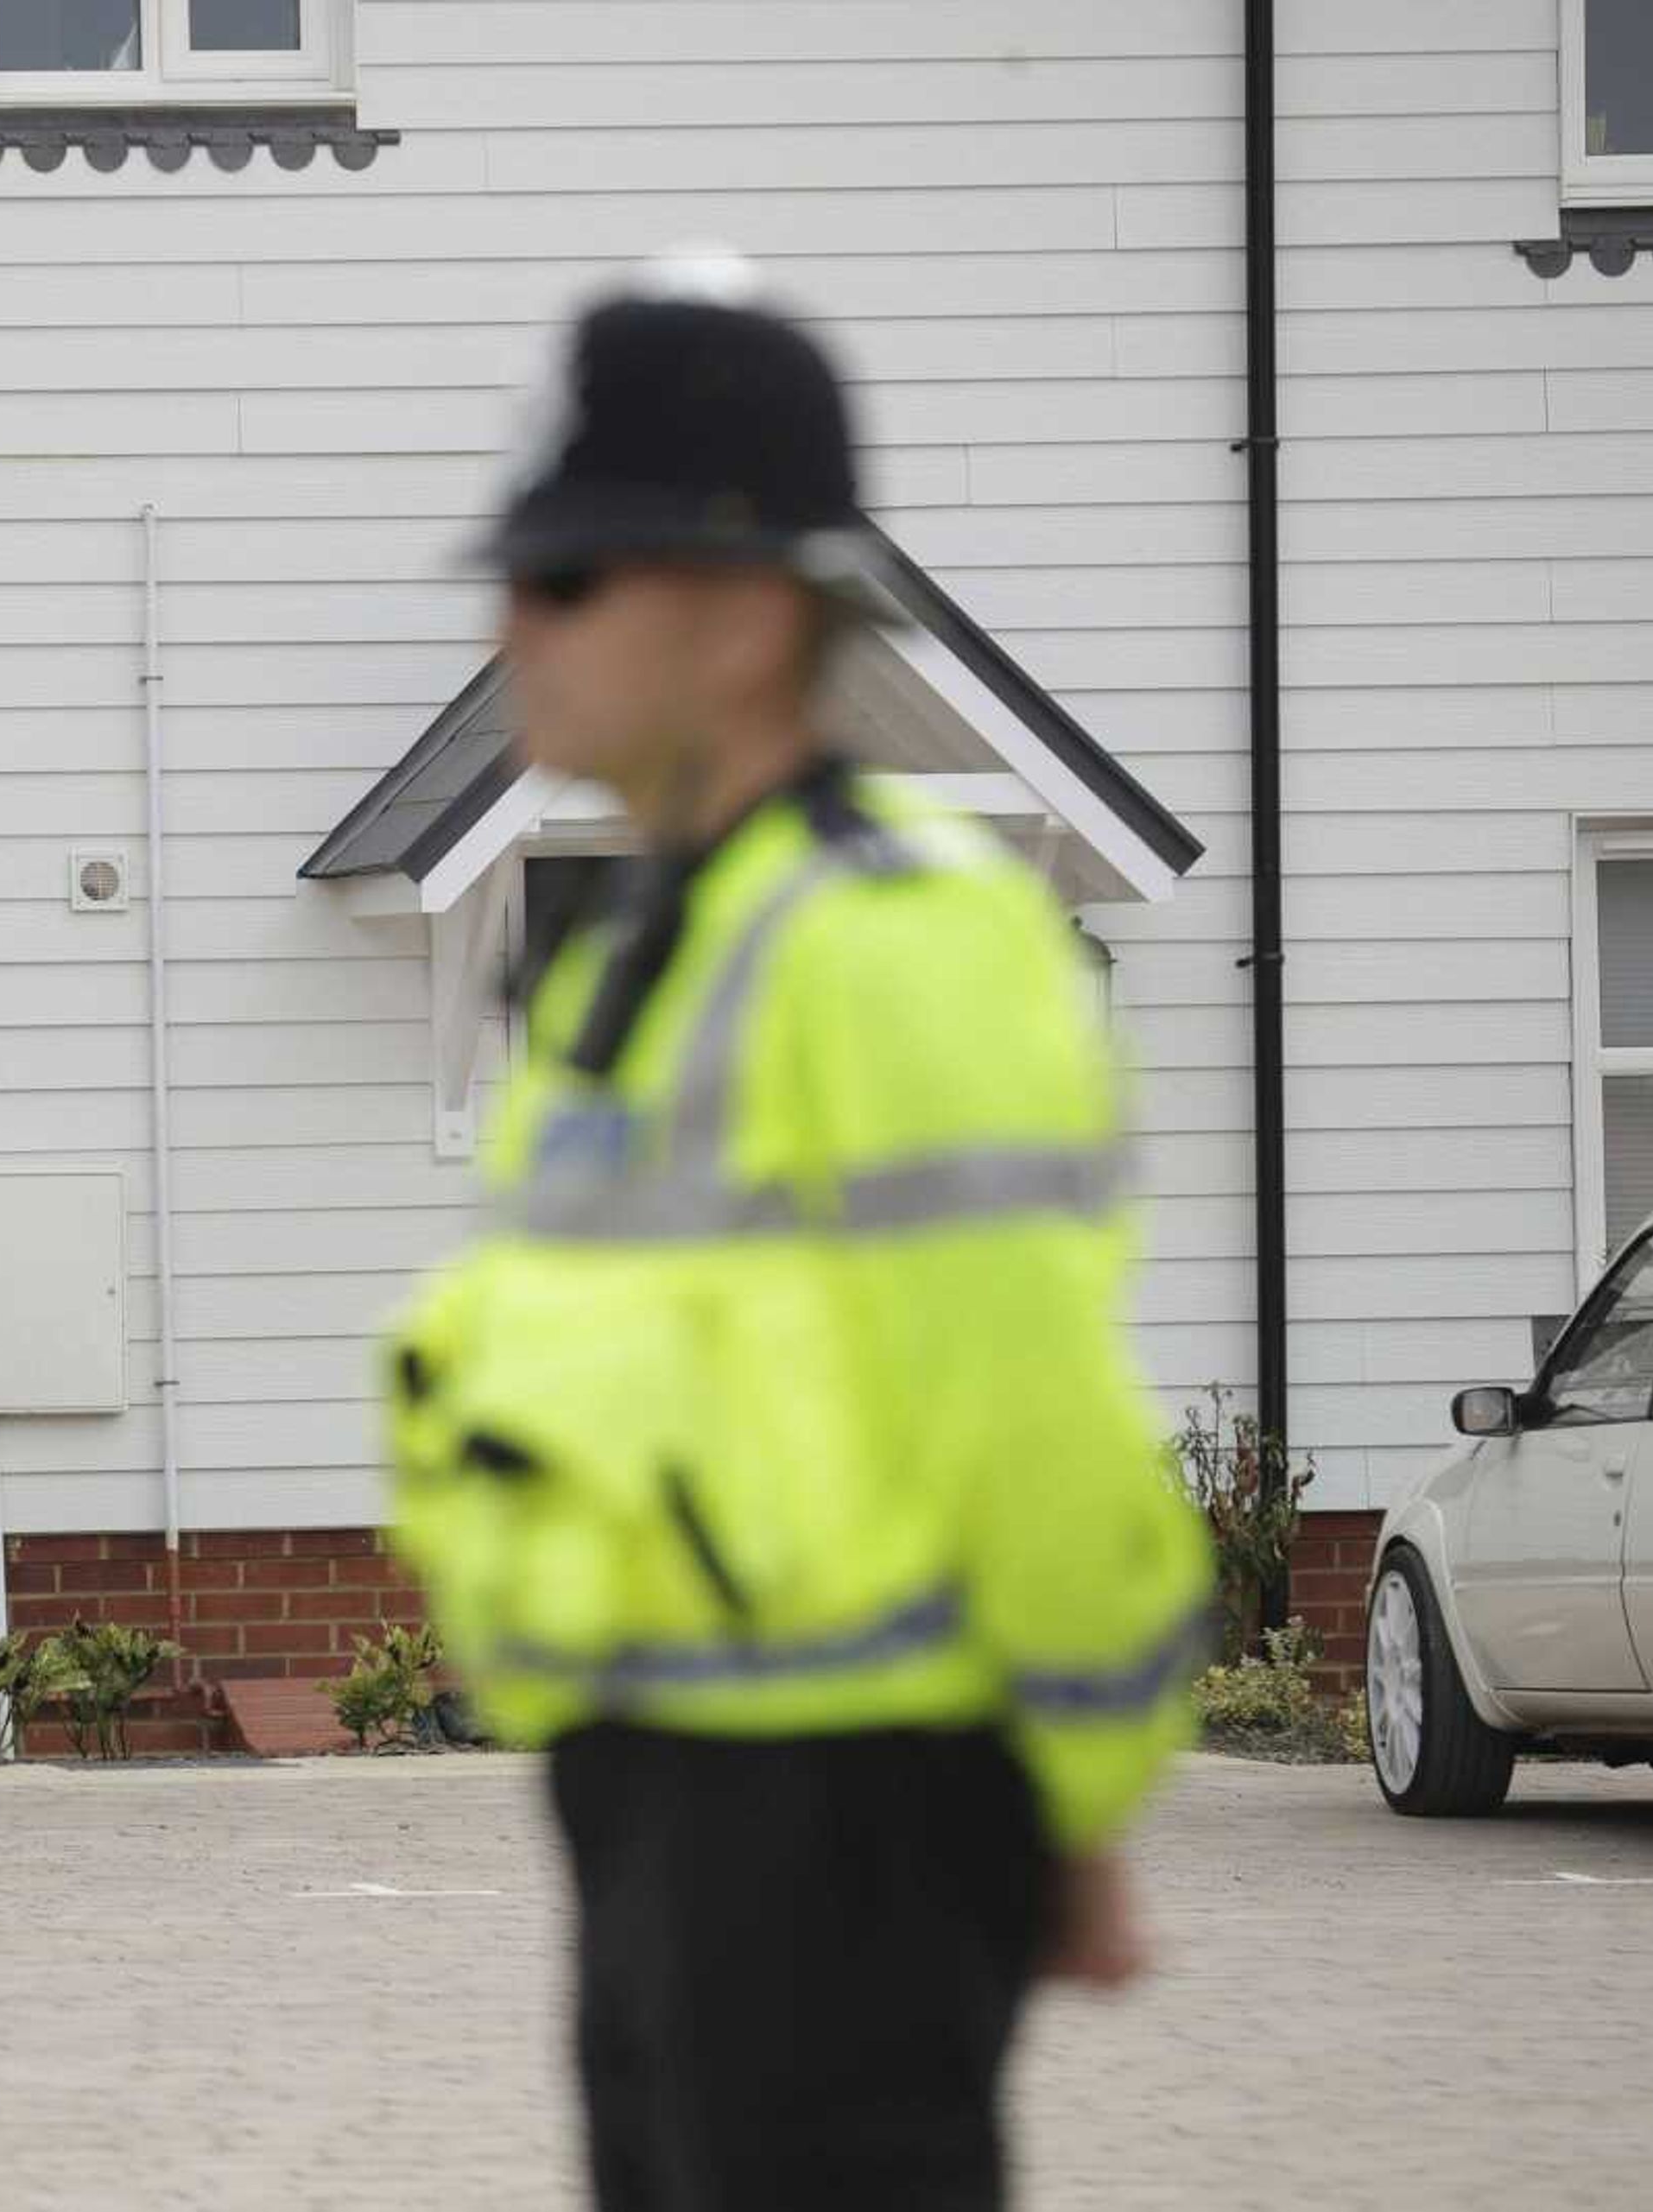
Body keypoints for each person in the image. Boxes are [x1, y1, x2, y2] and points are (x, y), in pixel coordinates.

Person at [385, 261, 1210, 2210]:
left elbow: (1028, 1402)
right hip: (654, 1780)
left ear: (750, 614)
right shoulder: (650, 953)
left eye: (573, 576)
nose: (518, 620)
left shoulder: (897, 933)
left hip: (851, 1804)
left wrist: (1072, 1795)